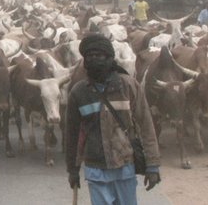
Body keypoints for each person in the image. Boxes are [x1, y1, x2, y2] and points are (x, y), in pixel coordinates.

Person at [66, 34, 161, 205]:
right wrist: (72, 169)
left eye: (99, 56)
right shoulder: (78, 92)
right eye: (90, 56)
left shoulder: (129, 86)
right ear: (85, 61)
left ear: (110, 58)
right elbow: (71, 134)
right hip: (95, 167)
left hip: (125, 165)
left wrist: (153, 165)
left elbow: (146, 126)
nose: (94, 59)